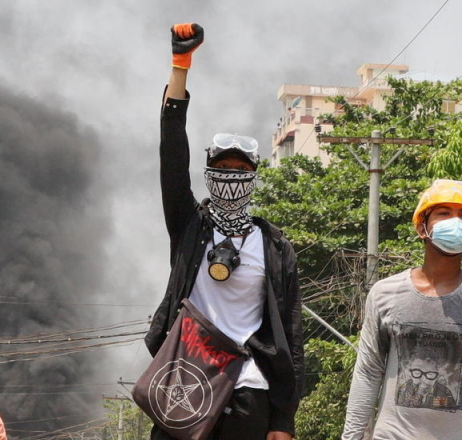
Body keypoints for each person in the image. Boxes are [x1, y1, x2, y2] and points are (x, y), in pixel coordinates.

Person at [143, 22, 304, 440]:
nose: (231, 178)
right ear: (209, 174)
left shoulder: (274, 246)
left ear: (254, 178)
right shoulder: (190, 226)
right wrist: (180, 67)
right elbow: (172, 152)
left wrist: (283, 421)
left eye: (240, 171)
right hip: (184, 383)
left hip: (248, 389)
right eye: (222, 169)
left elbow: (290, 333)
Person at [342, 179, 462, 440]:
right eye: (443, 213)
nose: (455, 222)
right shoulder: (386, 293)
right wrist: (351, 437)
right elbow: (368, 370)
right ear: (422, 227)